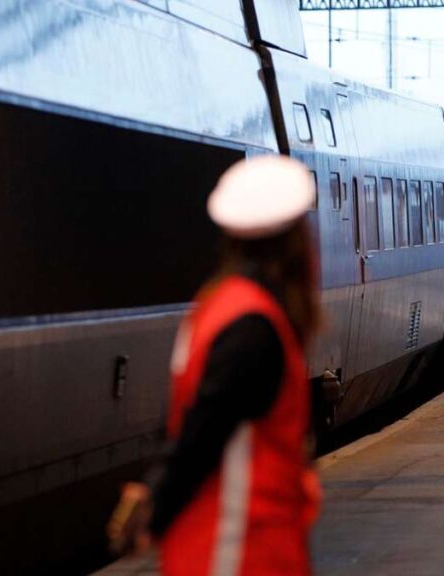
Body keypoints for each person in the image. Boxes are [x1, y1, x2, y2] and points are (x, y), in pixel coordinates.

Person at [108, 156, 322, 576]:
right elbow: (203, 431)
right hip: (241, 547)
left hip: (217, 542)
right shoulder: (254, 325)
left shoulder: (218, 304)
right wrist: (158, 502)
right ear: (296, 238)